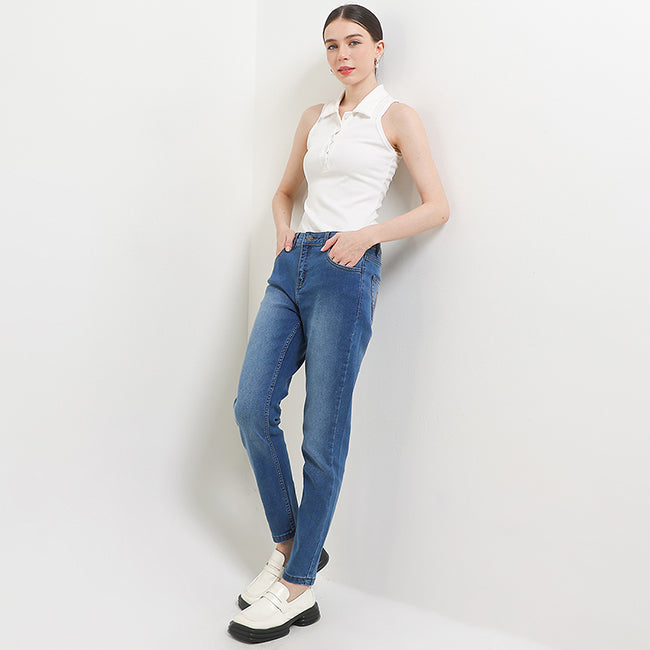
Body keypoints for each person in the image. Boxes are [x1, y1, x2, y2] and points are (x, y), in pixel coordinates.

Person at [227, 4, 450, 644]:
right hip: (292, 265)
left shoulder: (396, 117)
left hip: (346, 272)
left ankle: (299, 585)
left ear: (378, 48)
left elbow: (437, 207)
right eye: (331, 45)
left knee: (323, 432)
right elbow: (284, 191)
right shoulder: (314, 117)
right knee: (251, 407)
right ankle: (293, 544)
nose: (341, 55)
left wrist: (367, 235)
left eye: (354, 42)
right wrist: (282, 232)